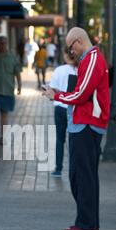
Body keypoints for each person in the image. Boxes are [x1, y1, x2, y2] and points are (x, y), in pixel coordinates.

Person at [42, 27, 110, 230]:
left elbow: (81, 94)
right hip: (86, 122)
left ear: (79, 41)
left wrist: (57, 97)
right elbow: (82, 92)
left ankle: (86, 222)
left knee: (82, 175)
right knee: (82, 174)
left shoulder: (91, 60)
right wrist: (60, 94)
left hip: (87, 123)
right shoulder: (91, 59)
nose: (71, 52)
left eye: (71, 48)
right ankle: (89, 220)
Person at [48, 47, 78, 177]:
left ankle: (58, 168)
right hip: (74, 108)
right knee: (74, 139)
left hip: (60, 107)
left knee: (60, 139)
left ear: (65, 56)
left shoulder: (59, 70)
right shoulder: (80, 70)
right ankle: (74, 168)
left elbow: (52, 89)